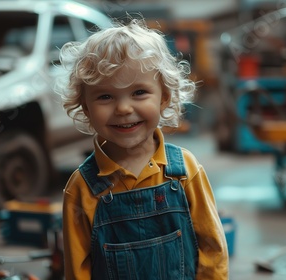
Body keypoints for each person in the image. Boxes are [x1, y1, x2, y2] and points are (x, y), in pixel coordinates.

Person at [56, 18, 229, 280]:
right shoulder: (82, 188)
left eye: (139, 92)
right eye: (105, 96)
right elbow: (76, 272)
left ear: (164, 97)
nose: (124, 108)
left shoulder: (184, 171)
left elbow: (212, 250)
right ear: (86, 107)